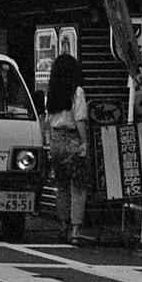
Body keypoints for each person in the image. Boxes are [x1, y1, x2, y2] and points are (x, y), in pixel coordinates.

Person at [45, 53, 90, 244]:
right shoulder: (77, 91)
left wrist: (49, 141)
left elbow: (47, 120)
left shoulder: (52, 91)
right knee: (78, 186)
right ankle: (75, 231)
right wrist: (84, 142)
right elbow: (80, 119)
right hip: (72, 140)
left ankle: (62, 228)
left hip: (56, 141)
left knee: (61, 185)